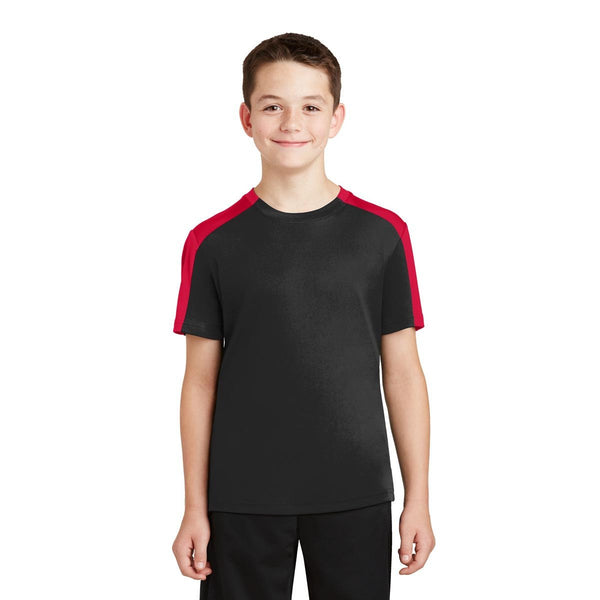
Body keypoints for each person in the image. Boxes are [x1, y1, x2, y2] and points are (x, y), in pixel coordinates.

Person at [171, 32, 435, 599]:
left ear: (336, 118)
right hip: (241, 496)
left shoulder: (383, 235)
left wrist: (418, 498)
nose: (292, 122)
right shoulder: (211, 242)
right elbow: (199, 382)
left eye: (311, 107)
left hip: (355, 491)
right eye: (273, 106)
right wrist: (194, 507)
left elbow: (404, 374)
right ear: (247, 118)